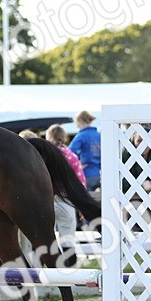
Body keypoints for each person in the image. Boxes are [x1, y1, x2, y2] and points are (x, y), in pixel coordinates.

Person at [46, 124, 86, 261]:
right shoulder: (71, 156)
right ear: (64, 137)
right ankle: (70, 270)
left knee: (46, 241)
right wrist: (81, 206)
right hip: (66, 201)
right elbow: (80, 182)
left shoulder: (44, 156)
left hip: (46, 201)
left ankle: (48, 269)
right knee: (68, 241)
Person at [69, 110, 101, 192]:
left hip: (86, 173)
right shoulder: (98, 135)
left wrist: (77, 164)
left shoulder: (81, 135)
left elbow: (69, 152)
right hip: (99, 173)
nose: (77, 126)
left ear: (80, 121)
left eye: (77, 123)